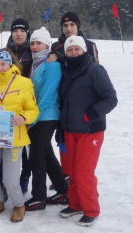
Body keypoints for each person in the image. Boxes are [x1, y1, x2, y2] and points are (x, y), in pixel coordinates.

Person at [59, 35, 117, 226]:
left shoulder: (95, 70)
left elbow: (110, 98)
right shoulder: (66, 71)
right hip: (69, 130)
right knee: (72, 171)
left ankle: (91, 209)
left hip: (90, 130)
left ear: (84, 50)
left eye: (77, 49)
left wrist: (91, 114)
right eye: (70, 50)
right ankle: (75, 204)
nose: (73, 52)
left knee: (83, 171)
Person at [0, 49, 39, 223]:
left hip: (15, 138)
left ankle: (19, 204)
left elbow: (33, 110)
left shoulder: (24, 83)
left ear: (10, 64)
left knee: (10, 180)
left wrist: (24, 118)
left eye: (3, 64)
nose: (0, 68)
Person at [50, 11, 99, 190]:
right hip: (62, 99)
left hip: (82, 102)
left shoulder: (89, 45)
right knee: (63, 139)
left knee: (82, 149)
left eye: (72, 25)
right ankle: (66, 175)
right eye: (65, 25)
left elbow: (93, 68)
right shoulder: (56, 45)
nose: (69, 28)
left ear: (78, 26)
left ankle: (82, 181)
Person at [24, 27, 68, 211]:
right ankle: (63, 190)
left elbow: (47, 95)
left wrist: (31, 120)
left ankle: (39, 197)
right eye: (32, 43)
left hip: (46, 116)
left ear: (47, 45)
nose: (35, 47)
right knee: (47, 155)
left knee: (36, 155)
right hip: (35, 116)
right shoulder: (34, 64)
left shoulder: (52, 65)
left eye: (39, 43)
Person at [6, 17, 33, 194]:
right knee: (10, 143)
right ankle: (9, 179)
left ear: (27, 33)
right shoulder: (5, 51)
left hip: (29, 103)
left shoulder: (34, 50)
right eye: (15, 30)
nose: (18, 34)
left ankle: (25, 176)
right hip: (9, 105)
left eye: (22, 31)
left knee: (28, 146)